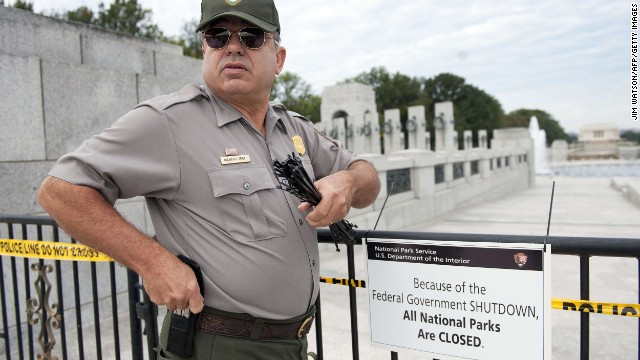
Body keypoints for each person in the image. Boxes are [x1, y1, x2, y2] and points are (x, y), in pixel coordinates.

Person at [37, 0, 381, 359]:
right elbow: (60, 190)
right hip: (219, 346)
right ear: (205, 49)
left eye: (251, 36)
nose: (233, 46)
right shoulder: (169, 122)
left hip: (292, 343)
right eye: (217, 36)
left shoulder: (294, 128)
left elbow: (366, 176)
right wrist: (151, 261)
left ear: (278, 59)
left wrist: (348, 182)